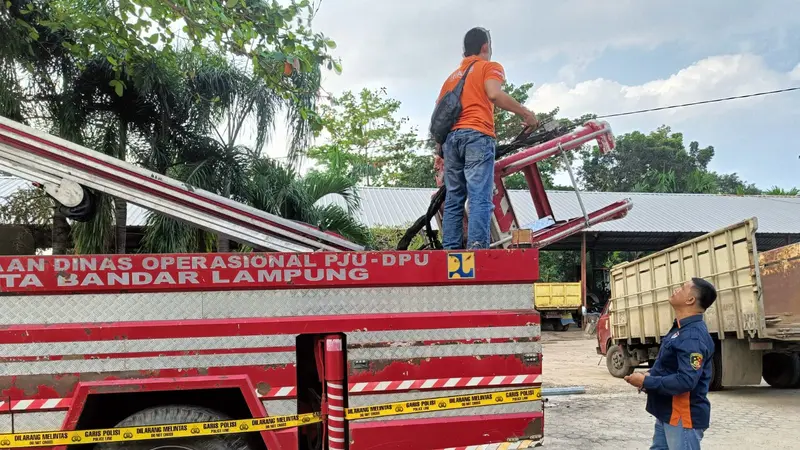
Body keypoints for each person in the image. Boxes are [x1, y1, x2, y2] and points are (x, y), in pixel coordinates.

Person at [435, 27, 538, 250]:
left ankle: (450, 251)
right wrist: (526, 114)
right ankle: (477, 248)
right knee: (479, 195)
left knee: (454, 198)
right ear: (485, 47)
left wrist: (438, 152)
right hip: (477, 136)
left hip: (451, 141)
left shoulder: (450, 79)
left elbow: (440, 117)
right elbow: (494, 93)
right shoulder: (489, 67)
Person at [624, 277, 718, 450]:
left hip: (682, 415)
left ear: (690, 300)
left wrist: (646, 382)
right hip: (668, 412)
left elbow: (686, 381)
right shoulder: (680, 329)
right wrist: (650, 374)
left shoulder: (692, 336)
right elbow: (670, 366)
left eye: (682, 288)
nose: (676, 290)